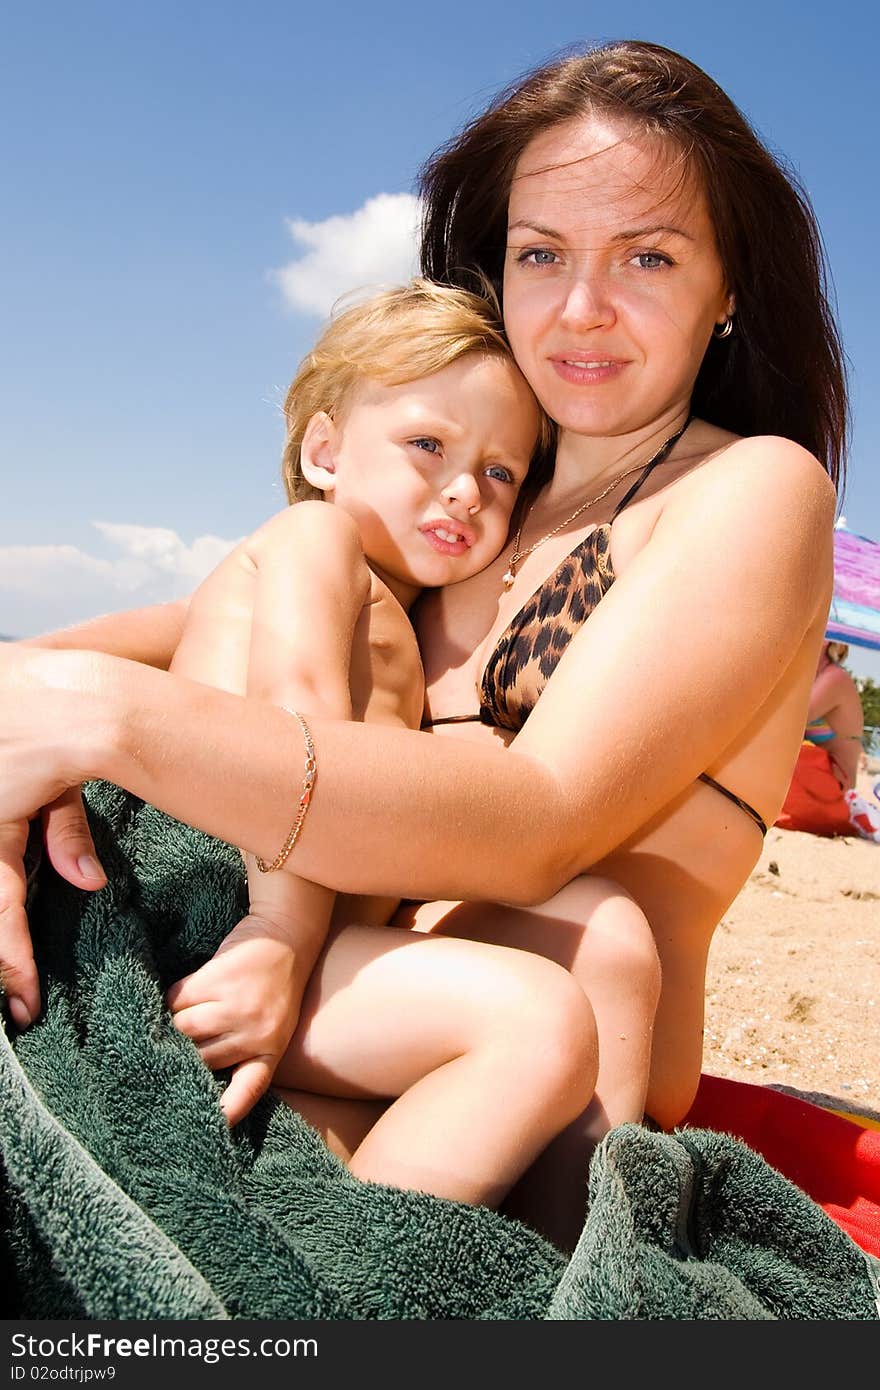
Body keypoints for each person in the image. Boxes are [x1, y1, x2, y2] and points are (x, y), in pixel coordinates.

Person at [0, 39, 845, 1250]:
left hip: (533, 1079)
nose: (583, 306)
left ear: (729, 290)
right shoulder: (490, 495)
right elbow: (232, 608)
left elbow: (545, 811)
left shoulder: (749, 489)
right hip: (330, 1002)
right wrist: (28, 693)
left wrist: (101, 715)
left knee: (596, 922)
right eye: (540, 254)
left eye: (647, 257)